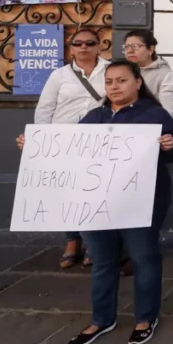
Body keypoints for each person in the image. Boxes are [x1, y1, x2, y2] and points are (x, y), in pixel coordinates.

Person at [19, 59, 173, 344]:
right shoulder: (96, 116)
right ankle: (101, 318)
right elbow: (69, 150)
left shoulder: (153, 114)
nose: (114, 87)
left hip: (141, 202)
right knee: (102, 260)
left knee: (144, 258)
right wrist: (36, 146)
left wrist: (170, 144)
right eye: (109, 82)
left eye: (121, 81)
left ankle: (145, 318)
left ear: (137, 83)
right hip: (97, 203)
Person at [34, 27, 109, 270]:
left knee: (96, 192)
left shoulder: (110, 71)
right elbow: (45, 109)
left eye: (90, 43)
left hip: (100, 142)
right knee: (68, 195)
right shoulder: (59, 75)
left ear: (99, 46)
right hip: (64, 143)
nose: (84, 47)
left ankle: (93, 243)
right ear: (71, 47)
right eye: (78, 43)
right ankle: (72, 241)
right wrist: (41, 142)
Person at [123, 29, 173, 120]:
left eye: (136, 46)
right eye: (126, 46)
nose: (130, 51)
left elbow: (170, 113)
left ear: (151, 49)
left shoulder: (165, 75)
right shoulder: (121, 71)